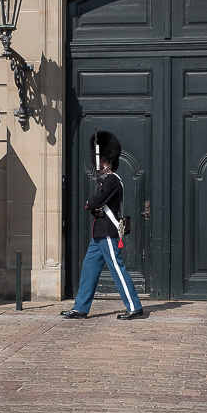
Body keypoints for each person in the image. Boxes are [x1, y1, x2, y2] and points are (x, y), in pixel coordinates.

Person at [60, 131, 145, 320]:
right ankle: (80, 308)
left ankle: (134, 306)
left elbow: (100, 200)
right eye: (100, 160)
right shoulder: (105, 180)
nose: (100, 164)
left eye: (103, 161)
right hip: (99, 233)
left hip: (108, 232)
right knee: (89, 268)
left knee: (117, 269)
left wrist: (89, 203)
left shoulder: (113, 180)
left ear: (110, 162)